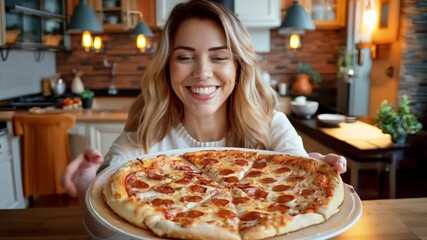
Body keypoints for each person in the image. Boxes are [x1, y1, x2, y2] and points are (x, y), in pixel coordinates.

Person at [62, 0, 347, 199]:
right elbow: (106, 229)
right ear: (166, 66)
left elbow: (301, 207)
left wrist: (314, 177)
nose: (202, 73)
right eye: (185, 57)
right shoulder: (140, 142)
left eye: (219, 57)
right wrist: (90, 190)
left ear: (238, 66)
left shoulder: (272, 127)